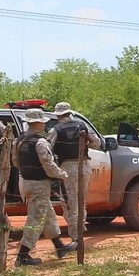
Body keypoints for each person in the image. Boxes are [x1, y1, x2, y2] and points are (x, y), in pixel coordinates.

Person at [12, 108, 75, 266]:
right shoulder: (40, 142)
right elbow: (48, 165)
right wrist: (62, 174)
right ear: (39, 123)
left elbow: (15, 162)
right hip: (39, 184)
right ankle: (23, 255)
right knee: (36, 219)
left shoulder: (19, 141)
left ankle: (59, 246)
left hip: (26, 182)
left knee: (48, 215)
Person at [47, 102, 101, 248]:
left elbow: (47, 149)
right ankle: (80, 232)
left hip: (67, 168)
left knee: (70, 203)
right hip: (84, 166)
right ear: (69, 113)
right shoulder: (82, 125)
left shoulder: (55, 129)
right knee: (81, 201)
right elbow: (97, 143)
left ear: (58, 115)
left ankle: (76, 238)